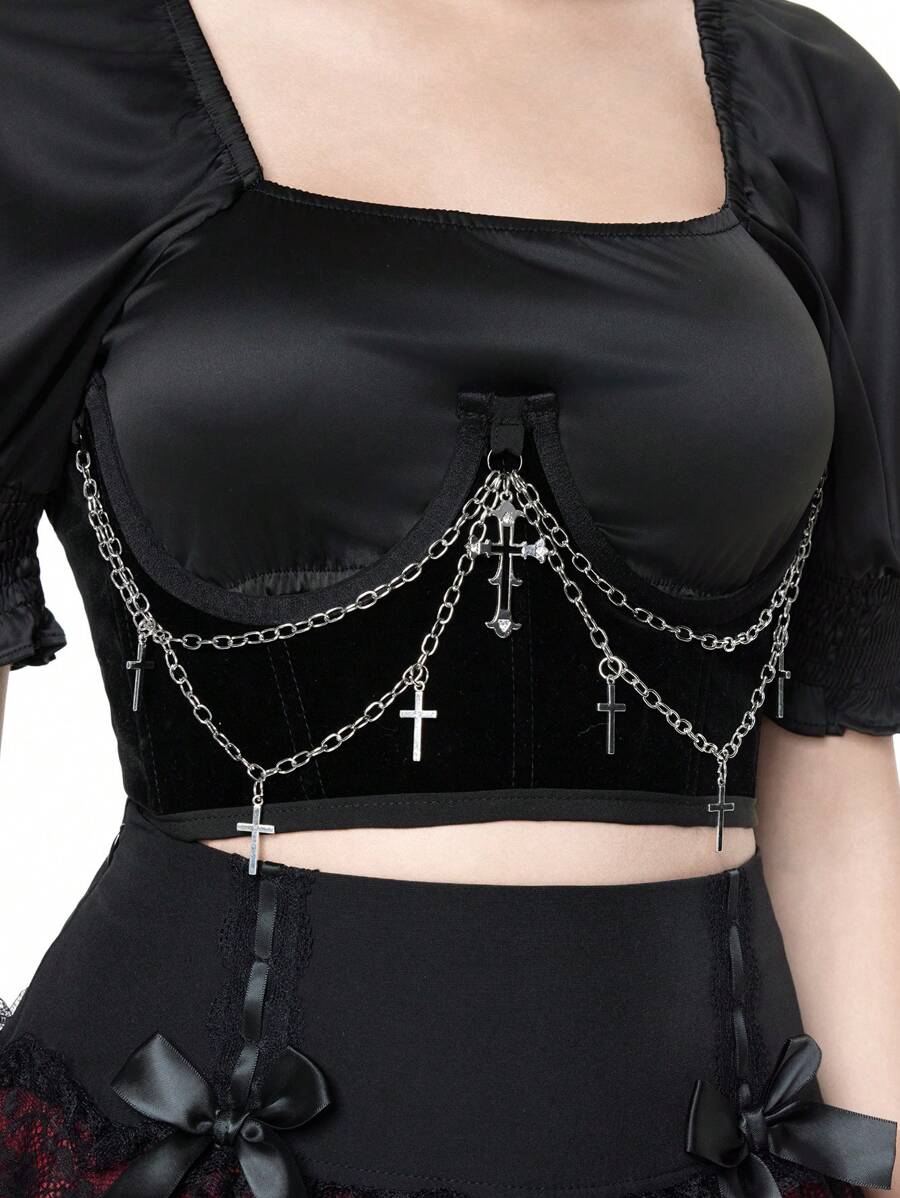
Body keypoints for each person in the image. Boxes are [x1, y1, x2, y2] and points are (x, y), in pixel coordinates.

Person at [0, 2, 898, 1196]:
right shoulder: (49, 72)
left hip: (723, 1147)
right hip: (184, 1140)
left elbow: (834, 743)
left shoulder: (804, 98)